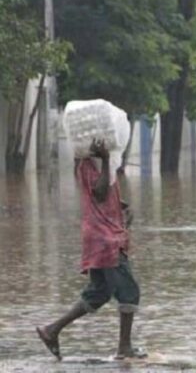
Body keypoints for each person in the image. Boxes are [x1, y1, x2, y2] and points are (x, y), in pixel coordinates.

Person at [36, 139, 146, 360]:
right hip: (106, 241)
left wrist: (121, 205)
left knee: (100, 291)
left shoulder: (93, 165)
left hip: (99, 238)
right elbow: (99, 192)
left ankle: (52, 330)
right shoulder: (88, 164)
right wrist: (105, 160)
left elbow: (102, 196)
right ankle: (124, 348)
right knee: (129, 291)